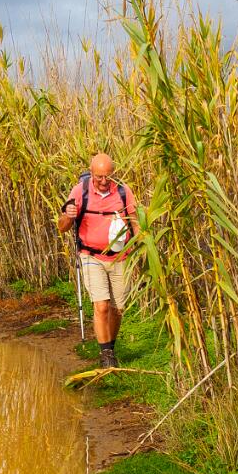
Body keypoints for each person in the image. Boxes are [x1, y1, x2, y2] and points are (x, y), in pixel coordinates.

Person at [58, 153, 137, 368]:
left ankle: (110, 346)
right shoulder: (80, 191)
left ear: (113, 173)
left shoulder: (123, 191)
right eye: (99, 177)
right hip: (91, 255)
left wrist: (142, 248)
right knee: (101, 306)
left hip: (120, 256)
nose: (103, 181)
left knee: (117, 309)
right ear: (91, 173)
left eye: (107, 177)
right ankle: (106, 356)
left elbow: (135, 222)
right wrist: (69, 215)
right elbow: (62, 227)